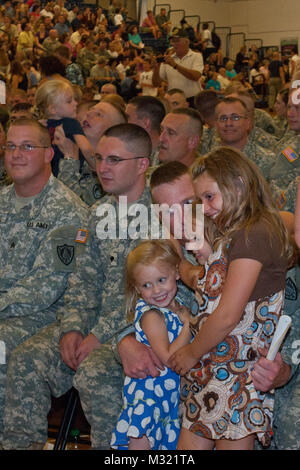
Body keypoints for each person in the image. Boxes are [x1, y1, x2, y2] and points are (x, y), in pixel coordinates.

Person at [2, 123, 157, 450]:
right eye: (99, 158)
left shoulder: (162, 215)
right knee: (27, 358)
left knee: (94, 371)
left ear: (143, 164)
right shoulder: (99, 212)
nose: (102, 167)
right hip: (89, 327)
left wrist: (98, 334)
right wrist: (72, 328)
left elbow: (148, 297)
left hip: (137, 328)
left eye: (114, 160)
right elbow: (82, 281)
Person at [170, 146, 290, 450]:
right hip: (215, 366)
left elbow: (228, 314)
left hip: (236, 372)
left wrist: (191, 352)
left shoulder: (255, 232)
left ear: (239, 183)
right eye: (201, 200)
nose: (206, 207)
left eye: (210, 197)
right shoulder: (236, 231)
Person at [0, 117, 89, 449]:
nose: (16, 154)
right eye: (10, 146)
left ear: (49, 154)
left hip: (46, 316)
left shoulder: (68, 211)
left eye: (27, 146)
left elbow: (46, 287)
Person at [111, 240, 192, 450]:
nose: (156, 290)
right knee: (142, 441)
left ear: (176, 272)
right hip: (149, 396)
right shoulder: (152, 315)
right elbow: (168, 359)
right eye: (146, 285)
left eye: (161, 280)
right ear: (137, 288)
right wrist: (190, 326)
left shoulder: (179, 308)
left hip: (169, 398)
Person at [35, 79, 95, 177]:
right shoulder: (70, 123)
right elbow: (86, 149)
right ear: (52, 109)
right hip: (71, 175)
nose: (75, 103)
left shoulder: (43, 126)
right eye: (69, 101)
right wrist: (97, 167)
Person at [152, 30, 203, 107]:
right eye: (172, 41)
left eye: (177, 41)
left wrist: (175, 66)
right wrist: (156, 69)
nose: (174, 44)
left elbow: (196, 76)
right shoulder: (168, 59)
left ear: (187, 42)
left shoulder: (196, 56)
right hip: (173, 102)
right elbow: (156, 84)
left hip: (192, 100)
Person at [125, 95, 165, 166]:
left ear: (145, 123)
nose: (125, 123)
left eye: (128, 118)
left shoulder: (164, 158)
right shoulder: (134, 151)